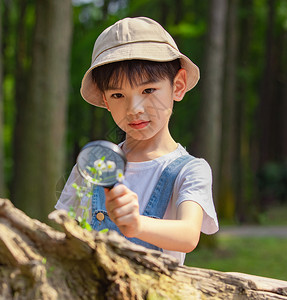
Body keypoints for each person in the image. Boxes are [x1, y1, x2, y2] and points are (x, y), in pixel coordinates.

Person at [56, 16, 218, 265]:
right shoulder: (94, 165)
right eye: (118, 94)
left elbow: (188, 235)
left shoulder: (190, 170)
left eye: (148, 90)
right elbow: (65, 230)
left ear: (178, 85)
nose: (134, 109)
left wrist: (136, 224)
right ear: (106, 100)